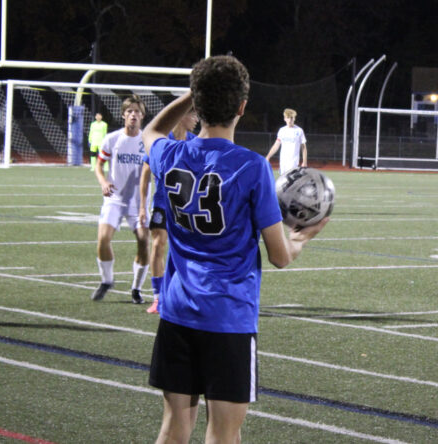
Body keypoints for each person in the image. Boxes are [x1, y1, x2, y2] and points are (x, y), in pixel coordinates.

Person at [141, 55, 328, 444]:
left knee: (173, 428)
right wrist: (303, 236)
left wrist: (190, 96)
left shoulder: (172, 155)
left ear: (198, 103)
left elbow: (152, 130)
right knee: (224, 434)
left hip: (178, 312)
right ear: (242, 107)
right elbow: (279, 256)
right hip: (228, 318)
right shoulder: (252, 167)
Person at [138, 108, 198, 314]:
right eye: (193, 114)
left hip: (186, 207)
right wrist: (141, 206)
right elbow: (145, 174)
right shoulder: (163, 141)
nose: (197, 119)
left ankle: (186, 294)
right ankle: (158, 297)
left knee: (186, 250)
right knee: (158, 244)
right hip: (163, 203)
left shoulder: (195, 141)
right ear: (182, 115)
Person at [91, 96, 149, 304]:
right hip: (114, 199)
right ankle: (107, 280)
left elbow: (150, 172)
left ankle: (136, 288)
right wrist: (103, 182)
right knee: (103, 239)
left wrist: (143, 206)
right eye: (130, 111)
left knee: (144, 241)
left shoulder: (147, 142)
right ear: (124, 115)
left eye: (137, 111)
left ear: (142, 116)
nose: (133, 114)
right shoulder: (112, 139)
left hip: (138, 203)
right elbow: (99, 165)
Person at [264, 108, 307, 176]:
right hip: (283, 162)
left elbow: (304, 147)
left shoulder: (299, 130)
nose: (290, 120)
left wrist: (304, 162)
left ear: (294, 118)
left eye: (291, 118)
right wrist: (268, 157)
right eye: (288, 118)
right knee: (283, 183)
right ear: (285, 119)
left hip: (293, 162)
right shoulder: (282, 130)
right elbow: (276, 145)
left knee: (292, 182)